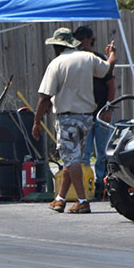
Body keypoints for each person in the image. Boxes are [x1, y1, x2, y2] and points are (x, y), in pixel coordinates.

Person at [32, 27, 116, 214]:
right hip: (87, 117)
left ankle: (82, 201)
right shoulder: (88, 57)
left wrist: (37, 121)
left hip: (67, 117)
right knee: (72, 158)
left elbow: (45, 96)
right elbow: (107, 69)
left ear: (57, 46)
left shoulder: (57, 63)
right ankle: (60, 199)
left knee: (73, 159)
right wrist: (111, 54)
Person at [74, 26, 116, 196]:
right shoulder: (76, 60)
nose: (79, 42)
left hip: (101, 112)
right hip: (83, 113)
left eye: (82, 38)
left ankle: (102, 184)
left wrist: (108, 108)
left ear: (90, 39)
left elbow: (110, 83)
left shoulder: (96, 59)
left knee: (104, 152)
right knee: (84, 154)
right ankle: (86, 184)